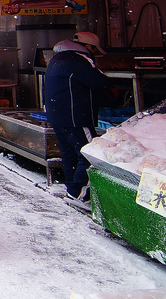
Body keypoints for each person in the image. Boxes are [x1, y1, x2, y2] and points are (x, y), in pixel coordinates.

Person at [43, 31, 112, 206]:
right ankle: (79, 193)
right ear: (88, 47)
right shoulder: (79, 59)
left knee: (70, 154)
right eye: (94, 50)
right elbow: (101, 82)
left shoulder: (57, 58)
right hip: (76, 117)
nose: (94, 54)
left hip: (58, 116)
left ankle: (71, 189)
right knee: (90, 153)